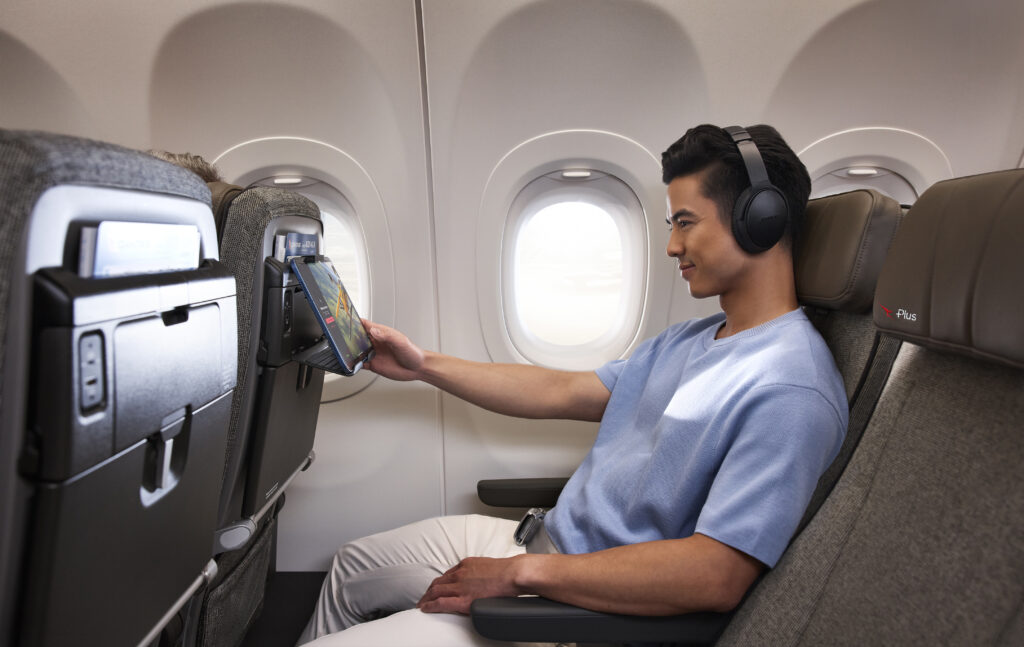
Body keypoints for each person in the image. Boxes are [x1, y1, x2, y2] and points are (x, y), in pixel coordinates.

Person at [297, 124, 848, 647]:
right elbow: (560, 390)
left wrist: (519, 576)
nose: (672, 248)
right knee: (350, 567)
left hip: (579, 614)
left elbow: (715, 575)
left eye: (685, 222)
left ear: (762, 220)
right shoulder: (693, 339)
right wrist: (422, 366)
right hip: (538, 551)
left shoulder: (791, 388)